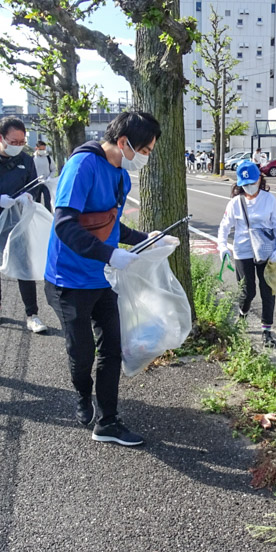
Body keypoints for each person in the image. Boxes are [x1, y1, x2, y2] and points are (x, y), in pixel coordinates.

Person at [45, 110, 177, 446]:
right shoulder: (83, 166)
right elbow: (64, 225)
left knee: (112, 348)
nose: (146, 158)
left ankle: (108, 421)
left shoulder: (121, 175)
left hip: (103, 278)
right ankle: (82, 395)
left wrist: (145, 237)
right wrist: (110, 254)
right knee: (82, 352)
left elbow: (110, 224)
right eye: (144, 150)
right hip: (68, 280)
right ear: (123, 142)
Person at [0, 116, 49, 334]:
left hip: (18, 221)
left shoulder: (25, 159)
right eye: (13, 142)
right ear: (0, 137)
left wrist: (28, 196)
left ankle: (32, 314)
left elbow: (33, 186)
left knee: (24, 266)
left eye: (21, 142)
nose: (18, 146)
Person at [217, 161, 276, 348]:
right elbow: (224, 226)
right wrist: (222, 247)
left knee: (267, 291)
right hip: (243, 250)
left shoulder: (269, 199)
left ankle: (267, 330)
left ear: (260, 179)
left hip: (266, 251)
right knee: (247, 291)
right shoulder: (235, 203)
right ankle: (243, 314)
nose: (249, 187)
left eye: (252, 182)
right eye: (245, 184)